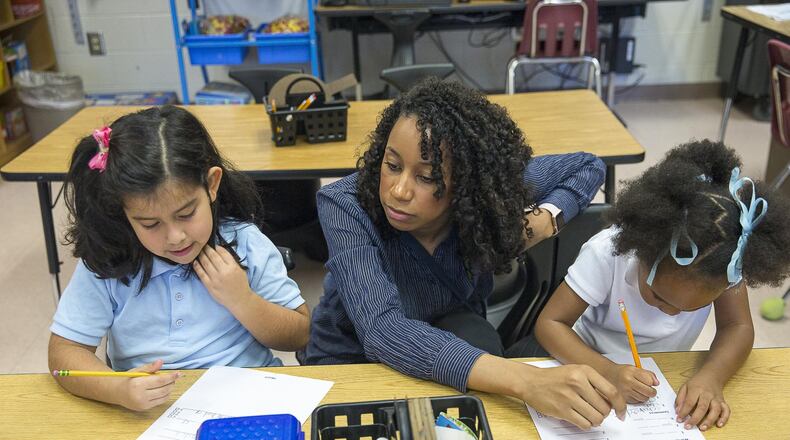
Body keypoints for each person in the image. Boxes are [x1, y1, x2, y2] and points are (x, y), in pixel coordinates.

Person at [302, 78, 626, 429]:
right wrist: (527, 381)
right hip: (352, 352)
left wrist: (545, 220)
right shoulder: (346, 205)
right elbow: (383, 330)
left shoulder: (484, 188)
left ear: (467, 185)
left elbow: (587, 166)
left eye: (427, 177)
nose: (398, 190)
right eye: (392, 165)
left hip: (451, 324)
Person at [48, 106, 310, 411]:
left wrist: (243, 300)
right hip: (151, 412)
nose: (175, 237)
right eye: (150, 224)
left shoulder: (245, 243)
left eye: (186, 214)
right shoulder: (108, 261)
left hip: (251, 401)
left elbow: (300, 334)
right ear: (124, 213)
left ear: (212, 185)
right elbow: (64, 351)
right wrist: (116, 387)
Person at [533, 140, 790, 432]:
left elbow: (738, 327)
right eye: (658, 297)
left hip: (665, 372)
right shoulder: (607, 253)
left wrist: (711, 377)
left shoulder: (723, 264)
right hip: (587, 360)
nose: (670, 314)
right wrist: (608, 371)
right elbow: (550, 324)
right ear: (643, 251)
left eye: (691, 309)